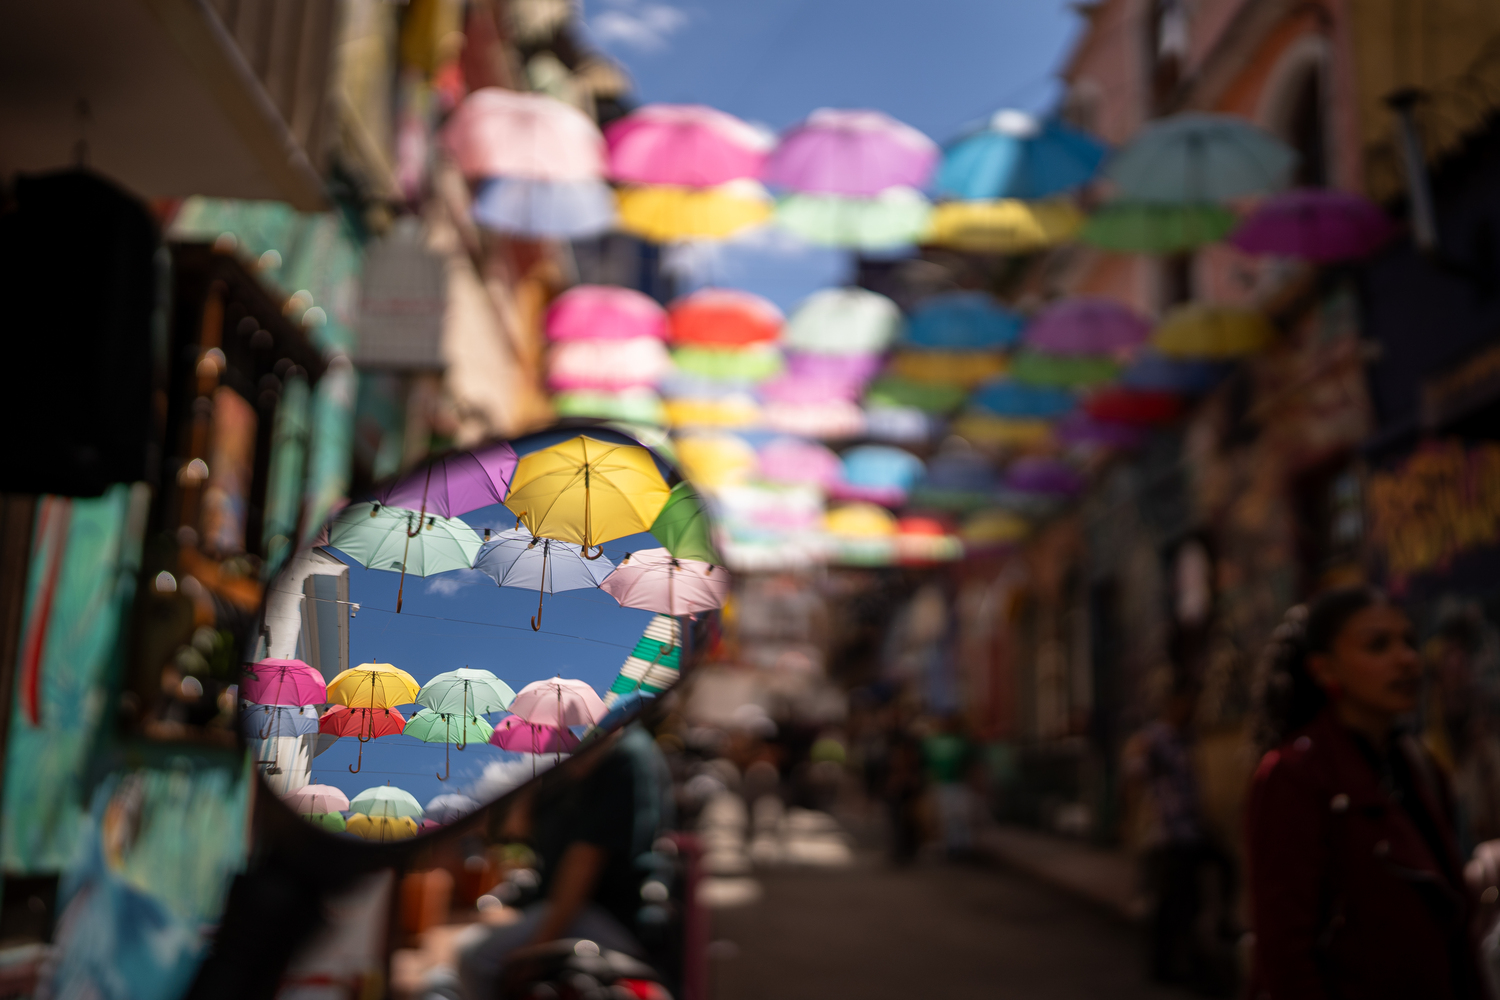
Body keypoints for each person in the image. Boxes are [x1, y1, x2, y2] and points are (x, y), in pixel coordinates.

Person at [1246, 587, 1483, 999]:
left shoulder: (1421, 767)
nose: (1407, 659)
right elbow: (1285, 955)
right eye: (1378, 645)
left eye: (1409, 641)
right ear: (1324, 669)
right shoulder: (1294, 777)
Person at [449, 724, 674, 998]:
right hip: (570, 905)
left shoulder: (621, 754)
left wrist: (537, 949)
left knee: (475, 958)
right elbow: (516, 832)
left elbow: (583, 864)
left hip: (608, 914)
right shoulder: (579, 750)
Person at [1123, 680, 1227, 985]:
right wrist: (1132, 822)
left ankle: (1193, 956)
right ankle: (1165, 965)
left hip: (1191, 830)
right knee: (1170, 904)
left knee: (1196, 894)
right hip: (1168, 834)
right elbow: (1134, 778)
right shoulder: (1154, 739)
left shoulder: (1188, 738)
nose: (1191, 709)